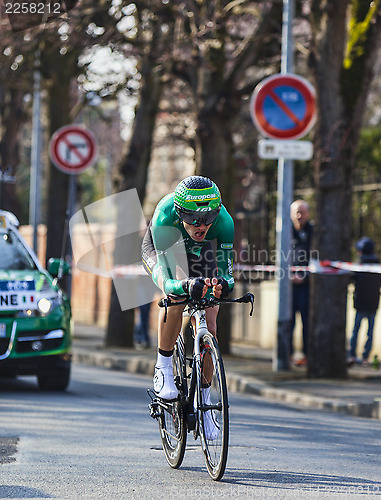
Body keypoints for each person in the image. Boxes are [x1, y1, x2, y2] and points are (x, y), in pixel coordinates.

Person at [142, 175, 234, 417]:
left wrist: (223, 284)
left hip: (200, 253)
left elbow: (226, 273)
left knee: (211, 321)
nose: (201, 226)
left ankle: (204, 399)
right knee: (175, 299)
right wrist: (186, 285)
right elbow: (171, 283)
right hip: (166, 245)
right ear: (181, 213)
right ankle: (162, 367)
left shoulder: (224, 222)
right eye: (193, 220)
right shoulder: (165, 214)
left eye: (207, 219)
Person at [348, 237, 381, 366]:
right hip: (373, 304)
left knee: (355, 331)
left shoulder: (358, 266)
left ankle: (352, 355)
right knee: (370, 332)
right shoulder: (377, 266)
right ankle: (366, 356)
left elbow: (350, 279)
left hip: (360, 304)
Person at [290, 200, 313, 366]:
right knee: (287, 321)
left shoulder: (314, 232)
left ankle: (307, 355)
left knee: (307, 322)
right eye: (296, 212)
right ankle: (287, 355)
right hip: (289, 287)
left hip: (307, 287)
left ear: (308, 214)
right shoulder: (286, 231)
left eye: (302, 212)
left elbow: (318, 260)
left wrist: (305, 277)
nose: (299, 216)